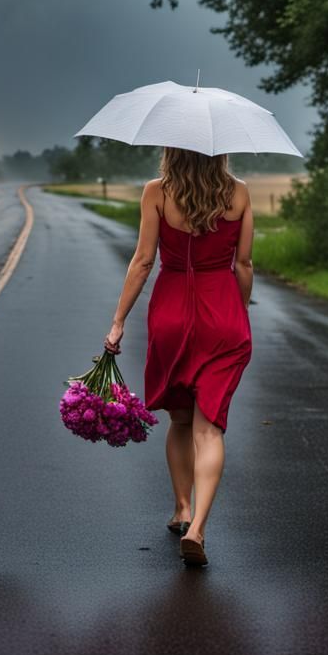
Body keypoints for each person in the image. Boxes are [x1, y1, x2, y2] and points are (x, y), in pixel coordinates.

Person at [103, 147, 254, 567]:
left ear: (172, 152)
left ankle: (182, 507)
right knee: (210, 429)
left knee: (181, 419)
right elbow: (243, 264)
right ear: (219, 152)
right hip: (222, 314)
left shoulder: (156, 192)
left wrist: (118, 321)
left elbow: (143, 261)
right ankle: (198, 528)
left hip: (170, 314)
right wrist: (239, 313)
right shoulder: (239, 194)